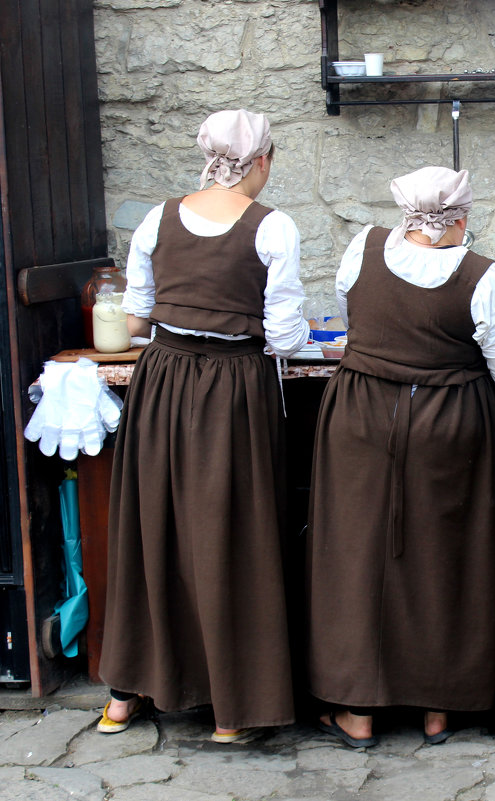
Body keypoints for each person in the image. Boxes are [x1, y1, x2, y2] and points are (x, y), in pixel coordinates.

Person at [305, 166, 495, 748]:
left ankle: (358, 713)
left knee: (356, 556)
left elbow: (351, 310)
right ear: (461, 216)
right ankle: (438, 709)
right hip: (449, 422)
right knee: (447, 558)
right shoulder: (482, 277)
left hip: (360, 415)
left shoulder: (364, 245)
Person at [97, 109, 310, 743]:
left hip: (161, 380)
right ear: (265, 161)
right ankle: (230, 710)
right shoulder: (273, 227)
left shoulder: (157, 219)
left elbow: (136, 318)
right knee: (232, 536)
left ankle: (124, 697)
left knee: (152, 527)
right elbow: (284, 336)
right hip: (232, 389)